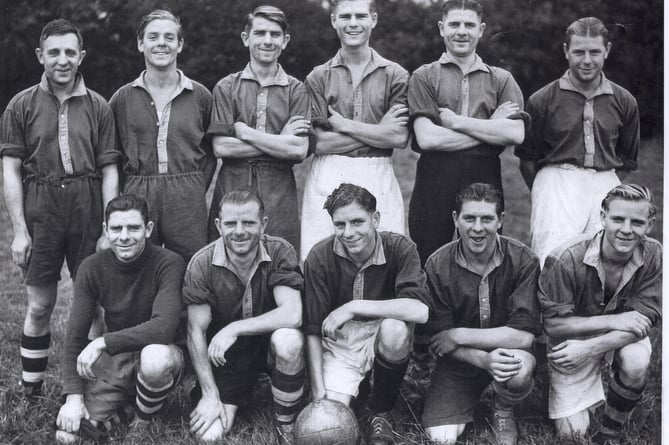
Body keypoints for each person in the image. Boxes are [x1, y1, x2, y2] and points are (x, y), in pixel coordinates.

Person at [0, 19, 120, 398]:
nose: (62, 60)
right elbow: (11, 169)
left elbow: (110, 169)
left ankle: (99, 389)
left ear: (81, 56)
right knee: (40, 305)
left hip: (87, 202)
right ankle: (31, 390)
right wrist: (20, 230)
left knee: (96, 305)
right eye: (54, 52)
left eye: (70, 52)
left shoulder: (98, 105)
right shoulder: (21, 105)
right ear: (41, 55)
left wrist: (107, 226)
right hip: (42, 206)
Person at [303, 183, 430, 445]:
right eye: (340, 225)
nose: (348, 233)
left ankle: (380, 412)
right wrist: (318, 396)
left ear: (376, 219)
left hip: (381, 329)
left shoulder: (400, 248)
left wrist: (353, 306)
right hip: (340, 340)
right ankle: (358, 392)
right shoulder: (319, 256)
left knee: (395, 329)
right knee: (329, 423)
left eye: (357, 222)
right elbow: (313, 329)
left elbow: (419, 310)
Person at [55, 195, 186, 443]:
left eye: (133, 228)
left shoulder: (169, 263)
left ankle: (142, 419)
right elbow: (74, 336)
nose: (124, 236)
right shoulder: (91, 267)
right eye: (116, 228)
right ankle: (126, 407)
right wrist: (73, 397)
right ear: (106, 230)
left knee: (155, 360)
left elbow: (163, 328)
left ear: (148, 229)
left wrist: (101, 342)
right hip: (118, 356)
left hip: (161, 351)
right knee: (67, 435)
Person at [539, 184, 661, 444]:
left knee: (637, 360)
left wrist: (592, 348)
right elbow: (552, 324)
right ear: (603, 217)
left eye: (637, 222)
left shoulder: (654, 254)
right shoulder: (565, 258)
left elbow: (646, 318)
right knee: (573, 433)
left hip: (618, 336)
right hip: (572, 338)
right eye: (618, 219)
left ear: (649, 225)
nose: (626, 230)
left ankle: (610, 431)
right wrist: (612, 320)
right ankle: (555, 384)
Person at [422, 183, 540, 445]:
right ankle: (464, 397)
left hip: (508, 353)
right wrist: (484, 360)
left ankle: (503, 407)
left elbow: (524, 338)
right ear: (456, 219)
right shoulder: (437, 264)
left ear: (500, 221)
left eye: (487, 218)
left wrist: (459, 333)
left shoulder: (524, 260)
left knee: (519, 369)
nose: (477, 228)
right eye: (469, 218)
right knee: (441, 438)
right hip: (461, 361)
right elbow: (440, 342)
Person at [408, 0, 525, 265]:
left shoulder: (501, 79)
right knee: (430, 255)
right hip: (434, 176)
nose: (462, 31)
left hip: (484, 174)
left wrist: (456, 122)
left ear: (481, 30)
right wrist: (491, 125)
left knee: (484, 252)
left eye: (469, 25)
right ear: (441, 28)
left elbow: (516, 134)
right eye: (454, 24)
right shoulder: (423, 76)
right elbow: (428, 138)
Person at [516, 17, 640, 266]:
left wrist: (597, 180)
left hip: (605, 183)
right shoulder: (542, 100)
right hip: (557, 182)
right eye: (578, 52)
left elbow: (627, 159)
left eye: (594, 52)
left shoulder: (625, 100)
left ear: (607, 50)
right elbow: (527, 160)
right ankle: (550, 306)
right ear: (566, 51)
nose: (586, 60)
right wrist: (550, 188)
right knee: (553, 258)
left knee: (604, 260)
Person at [184, 190, 305, 444]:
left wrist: (235, 328)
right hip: (228, 357)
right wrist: (209, 394)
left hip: (267, 344)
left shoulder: (280, 250)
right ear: (218, 226)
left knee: (289, 340)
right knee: (210, 435)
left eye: (249, 222)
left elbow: (292, 314)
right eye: (230, 223)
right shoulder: (202, 263)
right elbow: (195, 332)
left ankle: (287, 423)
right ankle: (229, 397)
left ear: (263, 224)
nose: (239, 231)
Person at [300, 0, 409, 262]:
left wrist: (343, 125)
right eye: (345, 16)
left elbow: (399, 138)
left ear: (373, 19)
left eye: (360, 15)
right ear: (333, 21)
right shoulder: (317, 77)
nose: (353, 23)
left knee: (383, 259)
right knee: (322, 258)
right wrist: (378, 131)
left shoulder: (395, 75)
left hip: (378, 171)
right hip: (329, 171)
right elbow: (319, 144)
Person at [110, 10, 215, 262]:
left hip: (187, 192)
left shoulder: (200, 96)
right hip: (138, 189)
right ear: (140, 43)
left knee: (192, 265)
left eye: (169, 37)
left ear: (179, 45)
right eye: (153, 36)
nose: (161, 43)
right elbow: (112, 155)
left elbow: (212, 151)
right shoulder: (121, 98)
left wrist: (195, 185)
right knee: (139, 263)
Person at [206, 6, 310, 251]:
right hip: (233, 182)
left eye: (275, 34)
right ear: (246, 38)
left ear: (285, 41)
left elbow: (298, 151)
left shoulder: (296, 89)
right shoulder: (226, 87)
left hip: (279, 188)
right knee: (226, 256)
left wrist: (244, 132)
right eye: (260, 33)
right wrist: (279, 141)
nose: (267, 40)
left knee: (280, 256)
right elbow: (221, 147)